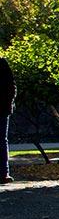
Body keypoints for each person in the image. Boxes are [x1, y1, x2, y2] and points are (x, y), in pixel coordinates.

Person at [0, 55, 13, 183]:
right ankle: (4, 172)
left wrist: (8, 102)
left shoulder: (2, 63)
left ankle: (4, 172)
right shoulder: (2, 63)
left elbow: (11, 86)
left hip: (2, 108)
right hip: (3, 107)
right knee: (2, 141)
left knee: (1, 141)